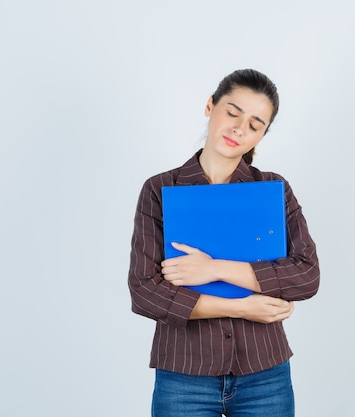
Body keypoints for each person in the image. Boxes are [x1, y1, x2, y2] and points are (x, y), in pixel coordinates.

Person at [128, 68, 320, 417]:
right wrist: (245, 306)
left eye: (254, 124)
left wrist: (211, 268)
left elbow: (306, 275)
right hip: (183, 375)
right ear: (210, 106)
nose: (238, 128)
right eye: (232, 112)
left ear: (261, 135)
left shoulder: (273, 190)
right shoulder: (160, 190)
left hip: (266, 375)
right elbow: (145, 291)